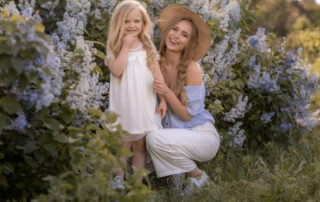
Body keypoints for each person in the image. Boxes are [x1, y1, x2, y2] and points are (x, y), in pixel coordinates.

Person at [146, 5, 220, 195]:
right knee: (141, 150)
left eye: (184, 35)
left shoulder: (191, 68)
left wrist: (166, 92)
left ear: (189, 43)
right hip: (175, 136)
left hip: (201, 136)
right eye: (175, 29)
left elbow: (187, 116)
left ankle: (197, 176)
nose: (176, 36)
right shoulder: (157, 62)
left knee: (154, 139)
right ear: (167, 30)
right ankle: (177, 180)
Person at [105, 0, 166, 187]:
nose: (132, 26)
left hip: (144, 103)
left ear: (143, 23)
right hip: (124, 105)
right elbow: (116, 70)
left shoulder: (147, 44)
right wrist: (125, 47)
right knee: (123, 146)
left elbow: (157, 74)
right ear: (118, 23)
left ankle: (137, 185)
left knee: (140, 147)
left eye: (136, 21)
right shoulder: (114, 45)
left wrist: (163, 99)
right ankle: (118, 183)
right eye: (127, 21)